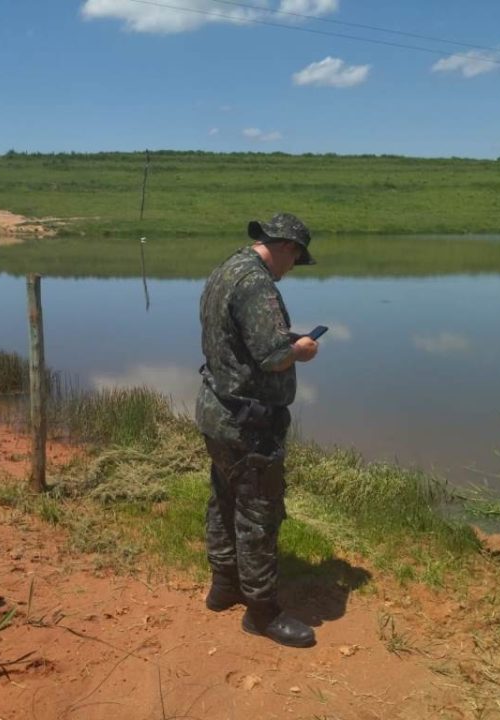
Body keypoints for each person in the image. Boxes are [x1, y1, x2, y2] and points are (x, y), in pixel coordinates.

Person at [195, 212, 320, 648]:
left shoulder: (226, 269)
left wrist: (281, 343)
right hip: (248, 422)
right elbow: (271, 356)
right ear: (287, 247)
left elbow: (239, 341)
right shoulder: (257, 283)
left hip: (218, 410)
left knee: (225, 497)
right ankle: (262, 611)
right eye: (295, 259)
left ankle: (223, 585)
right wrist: (301, 350)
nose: (290, 270)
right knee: (257, 512)